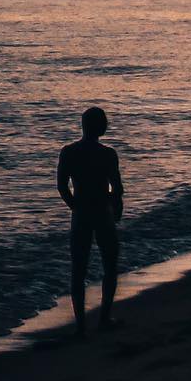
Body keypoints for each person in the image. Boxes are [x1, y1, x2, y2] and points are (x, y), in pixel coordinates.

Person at [57, 106, 123, 337]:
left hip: (82, 211)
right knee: (110, 264)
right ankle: (104, 317)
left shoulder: (68, 152)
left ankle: (81, 326)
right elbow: (117, 187)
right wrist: (117, 209)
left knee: (79, 268)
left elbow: (62, 186)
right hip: (102, 210)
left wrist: (74, 206)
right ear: (101, 128)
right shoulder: (108, 153)